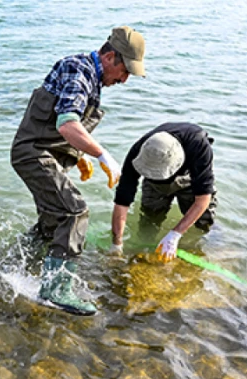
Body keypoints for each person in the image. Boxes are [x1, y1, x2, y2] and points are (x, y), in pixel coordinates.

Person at [11, 26, 146, 316]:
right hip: (34, 153)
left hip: (46, 154)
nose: (124, 80)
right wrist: (101, 154)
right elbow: (66, 124)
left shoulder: (91, 78)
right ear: (110, 57)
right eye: (125, 71)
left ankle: (20, 263)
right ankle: (56, 290)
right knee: (75, 212)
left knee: (53, 221)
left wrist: (79, 152)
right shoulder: (79, 70)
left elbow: (67, 124)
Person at [109, 123, 217, 262]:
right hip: (155, 184)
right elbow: (122, 202)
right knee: (149, 221)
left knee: (203, 223)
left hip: (189, 177)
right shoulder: (138, 153)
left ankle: (205, 244)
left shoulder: (198, 145)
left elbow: (203, 199)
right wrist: (116, 243)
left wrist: (175, 234)